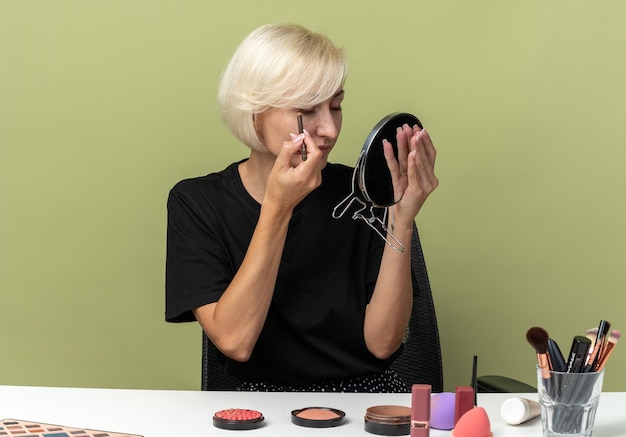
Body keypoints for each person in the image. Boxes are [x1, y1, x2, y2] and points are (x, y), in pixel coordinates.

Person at [165, 23, 438, 392]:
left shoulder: (363, 193)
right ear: (255, 112)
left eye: (336, 106)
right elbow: (235, 342)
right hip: (256, 405)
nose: (329, 129)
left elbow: (383, 343)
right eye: (308, 109)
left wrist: (401, 221)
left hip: (364, 398)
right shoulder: (197, 203)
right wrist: (278, 208)